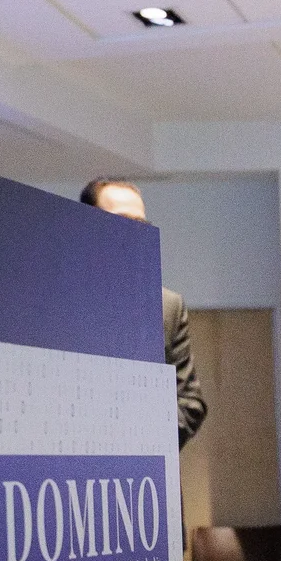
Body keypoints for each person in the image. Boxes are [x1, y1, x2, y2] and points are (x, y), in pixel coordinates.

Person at [78, 177, 206, 446]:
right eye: (123, 220)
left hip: (147, 477)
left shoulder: (167, 305)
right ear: (87, 223)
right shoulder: (57, 299)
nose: (135, 232)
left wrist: (140, 438)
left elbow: (190, 403)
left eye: (142, 224)